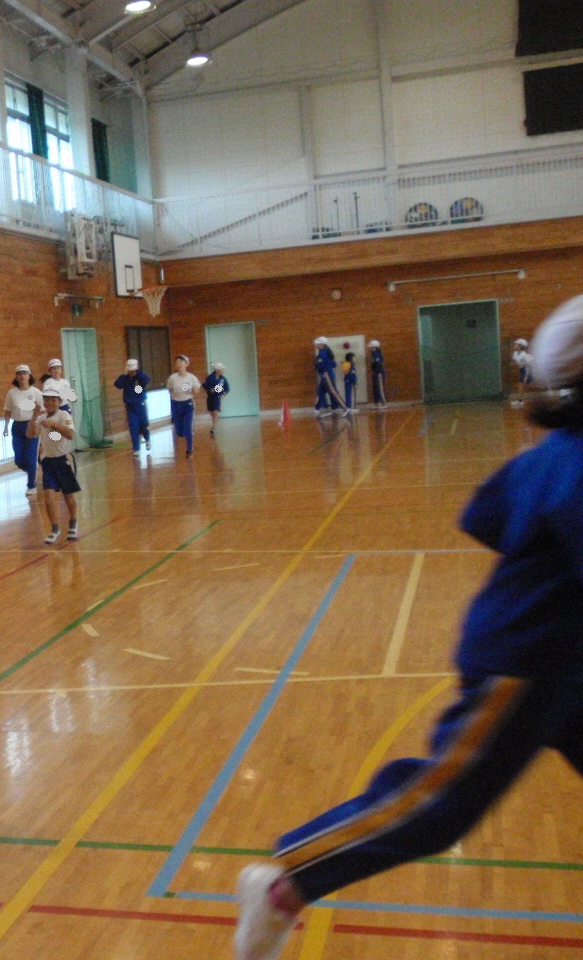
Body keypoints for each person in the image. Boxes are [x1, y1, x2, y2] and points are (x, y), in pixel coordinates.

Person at [233, 295, 583, 960]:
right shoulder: (575, 463)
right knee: (440, 803)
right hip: (525, 665)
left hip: (564, 659)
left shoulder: (552, 455)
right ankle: (285, 881)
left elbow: (487, 514)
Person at [33, 385, 80, 543]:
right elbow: (31, 434)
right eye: (46, 399)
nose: (49, 402)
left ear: (59, 402)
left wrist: (54, 425)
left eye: (53, 399)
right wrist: (34, 417)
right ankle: (54, 528)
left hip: (63, 459)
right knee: (48, 498)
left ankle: (73, 523)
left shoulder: (64, 415)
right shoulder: (41, 417)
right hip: (48, 462)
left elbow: (70, 434)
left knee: (68, 496)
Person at [3, 365, 44, 497]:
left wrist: (39, 423)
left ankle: (31, 485)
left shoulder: (36, 392)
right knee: (19, 459)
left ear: (29, 376)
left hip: (32, 425)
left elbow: (43, 410)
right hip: (17, 427)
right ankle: (33, 469)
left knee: (31, 457)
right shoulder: (11, 393)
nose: (22, 376)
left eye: (24, 373)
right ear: (16, 377)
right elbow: (8, 410)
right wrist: (6, 426)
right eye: (19, 373)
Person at [114, 359, 152, 454]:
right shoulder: (125, 378)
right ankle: (136, 449)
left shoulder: (140, 377)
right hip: (130, 407)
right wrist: (124, 374)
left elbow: (146, 380)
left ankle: (147, 438)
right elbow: (118, 384)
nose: (131, 372)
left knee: (143, 425)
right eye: (130, 370)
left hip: (141, 405)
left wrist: (138, 372)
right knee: (133, 427)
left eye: (133, 370)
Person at [167, 355, 201, 459]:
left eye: (181, 362)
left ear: (186, 364)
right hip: (176, 404)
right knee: (179, 432)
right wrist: (173, 395)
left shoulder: (191, 378)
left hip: (188, 404)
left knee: (187, 429)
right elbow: (170, 389)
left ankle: (189, 450)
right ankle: (185, 433)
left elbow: (196, 391)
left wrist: (191, 390)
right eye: (177, 362)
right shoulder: (173, 378)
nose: (179, 364)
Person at [313, 337, 349, 417]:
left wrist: (316, 366)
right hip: (324, 375)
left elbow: (320, 365)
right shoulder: (324, 352)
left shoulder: (323, 353)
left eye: (317, 343)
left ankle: (345, 408)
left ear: (321, 344)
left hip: (327, 375)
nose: (316, 345)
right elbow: (333, 364)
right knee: (320, 391)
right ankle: (317, 409)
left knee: (333, 391)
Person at [203, 362, 230, 437]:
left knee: (215, 412)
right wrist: (210, 389)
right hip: (210, 397)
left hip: (217, 397)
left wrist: (225, 392)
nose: (223, 370)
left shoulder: (223, 379)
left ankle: (213, 428)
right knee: (212, 412)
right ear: (217, 370)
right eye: (222, 369)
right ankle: (213, 422)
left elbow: (227, 387)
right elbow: (205, 385)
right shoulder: (209, 378)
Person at [511, 337, 533, 406]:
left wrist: (527, 374)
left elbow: (529, 364)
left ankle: (521, 401)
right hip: (522, 370)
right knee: (523, 385)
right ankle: (521, 400)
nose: (515, 345)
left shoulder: (524, 355)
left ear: (520, 346)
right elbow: (516, 361)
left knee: (521, 385)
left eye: (517, 344)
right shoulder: (515, 353)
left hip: (526, 370)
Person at [368, 340, 387, 407]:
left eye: (371, 347)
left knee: (379, 388)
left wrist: (376, 370)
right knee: (376, 388)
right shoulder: (373, 354)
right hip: (375, 373)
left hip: (379, 373)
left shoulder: (377, 354)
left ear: (374, 347)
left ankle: (383, 403)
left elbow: (378, 364)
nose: (370, 348)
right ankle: (377, 403)